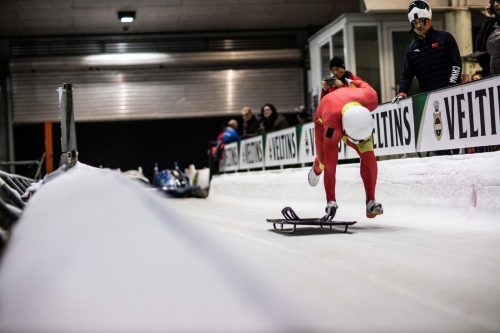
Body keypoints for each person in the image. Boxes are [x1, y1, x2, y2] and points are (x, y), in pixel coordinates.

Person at [308, 78, 383, 220]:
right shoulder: (332, 126)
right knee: (325, 161)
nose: (359, 142)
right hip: (324, 121)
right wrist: (331, 201)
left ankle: (370, 202)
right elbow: (331, 166)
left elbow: (360, 82)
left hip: (354, 121)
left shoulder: (370, 98)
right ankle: (317, 168)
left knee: (368, 155)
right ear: (344, 129)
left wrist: (350, 80)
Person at [392, 0, 462, 104]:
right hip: (430, 101)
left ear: (429, 20)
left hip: (453, 95)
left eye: (421, 21)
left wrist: (451, 86)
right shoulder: (411, 49)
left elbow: (456, 65)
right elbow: (406, 75)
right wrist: (402, 92)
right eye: (415, 23)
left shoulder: (445, 38)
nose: (418, 26)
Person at [476, 0, 500, 75]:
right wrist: (489, 19)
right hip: (495, 78)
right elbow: (480, 47)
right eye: (494, 2)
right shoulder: (494, 27)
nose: (496, 4)